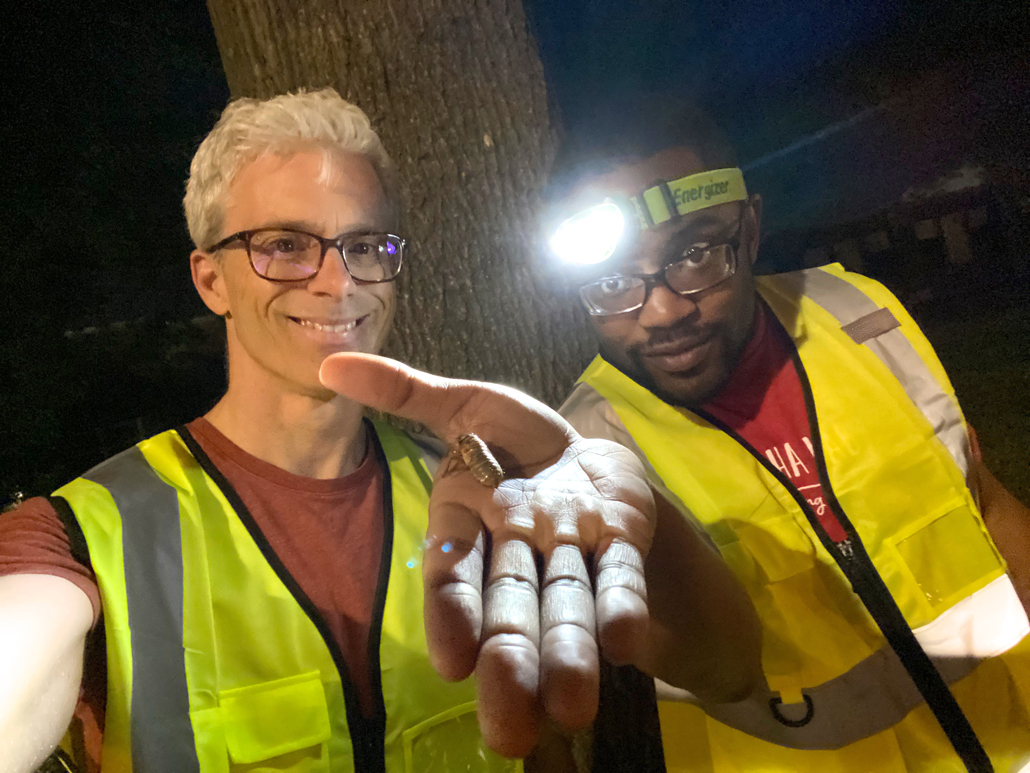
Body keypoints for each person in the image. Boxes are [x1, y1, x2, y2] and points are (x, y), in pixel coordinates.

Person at [0, 89, 762, 773]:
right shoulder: (81, 535)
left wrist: (633, 516)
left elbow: (730, 669)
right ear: (210, 279)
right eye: (285, 246)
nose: (339, 282)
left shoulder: (480, 489)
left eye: (365, 246)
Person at [544, 97, 1030, 773]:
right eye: (614, 279)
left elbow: (989, 507)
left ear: (749, 230)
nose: (661, 310)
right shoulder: (585, 454)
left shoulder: (864, 315)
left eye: (694, 254)